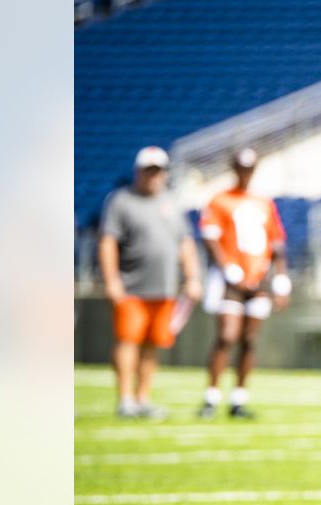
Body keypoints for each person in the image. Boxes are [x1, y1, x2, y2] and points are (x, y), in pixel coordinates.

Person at [97, 146, 202, 418]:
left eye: (158, 171)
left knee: (152, 344)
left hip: (164, 287)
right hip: (131, 285)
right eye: (148, 171)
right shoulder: (121, 201)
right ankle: (125, 399)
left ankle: (143, 398)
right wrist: (111, 280)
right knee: (127, 340)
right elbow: (108, 241)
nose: (153, 176)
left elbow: (185, 243)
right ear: (138, 172)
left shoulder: (170, 203)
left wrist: (192, 277)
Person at [197, 148, 291, 419]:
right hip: (232, 280)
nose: (245, 173)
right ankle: (211, 398)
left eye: (249, 168)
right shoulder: (220, 200)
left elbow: (277, 245)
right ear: (233, 168)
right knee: (226, 336)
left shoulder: (264, 202)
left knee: (249, 339)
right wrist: (228, 269)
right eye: (241, 167)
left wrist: (281, 279)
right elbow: (210, 237)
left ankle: (238, 399)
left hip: (258, 277)